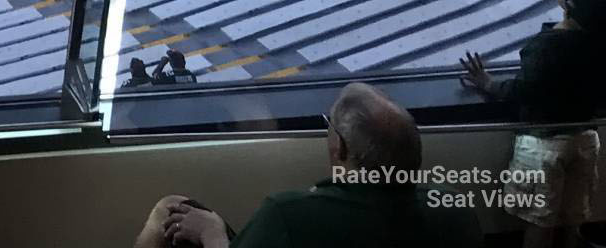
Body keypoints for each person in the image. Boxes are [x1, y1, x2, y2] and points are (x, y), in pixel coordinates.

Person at [137, 82, 478, 246]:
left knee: (169, 210)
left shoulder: (288, 214)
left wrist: (212, 236)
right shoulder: (457, 212)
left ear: (340, 148)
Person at [461, 0, 606, 244]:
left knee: (539, 221)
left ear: (568, 4)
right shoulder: (599, 42)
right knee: (574, 217)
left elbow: (522, 90)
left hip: (544, 144)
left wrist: (488, 83)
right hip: (585, 138)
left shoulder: (547, 47)